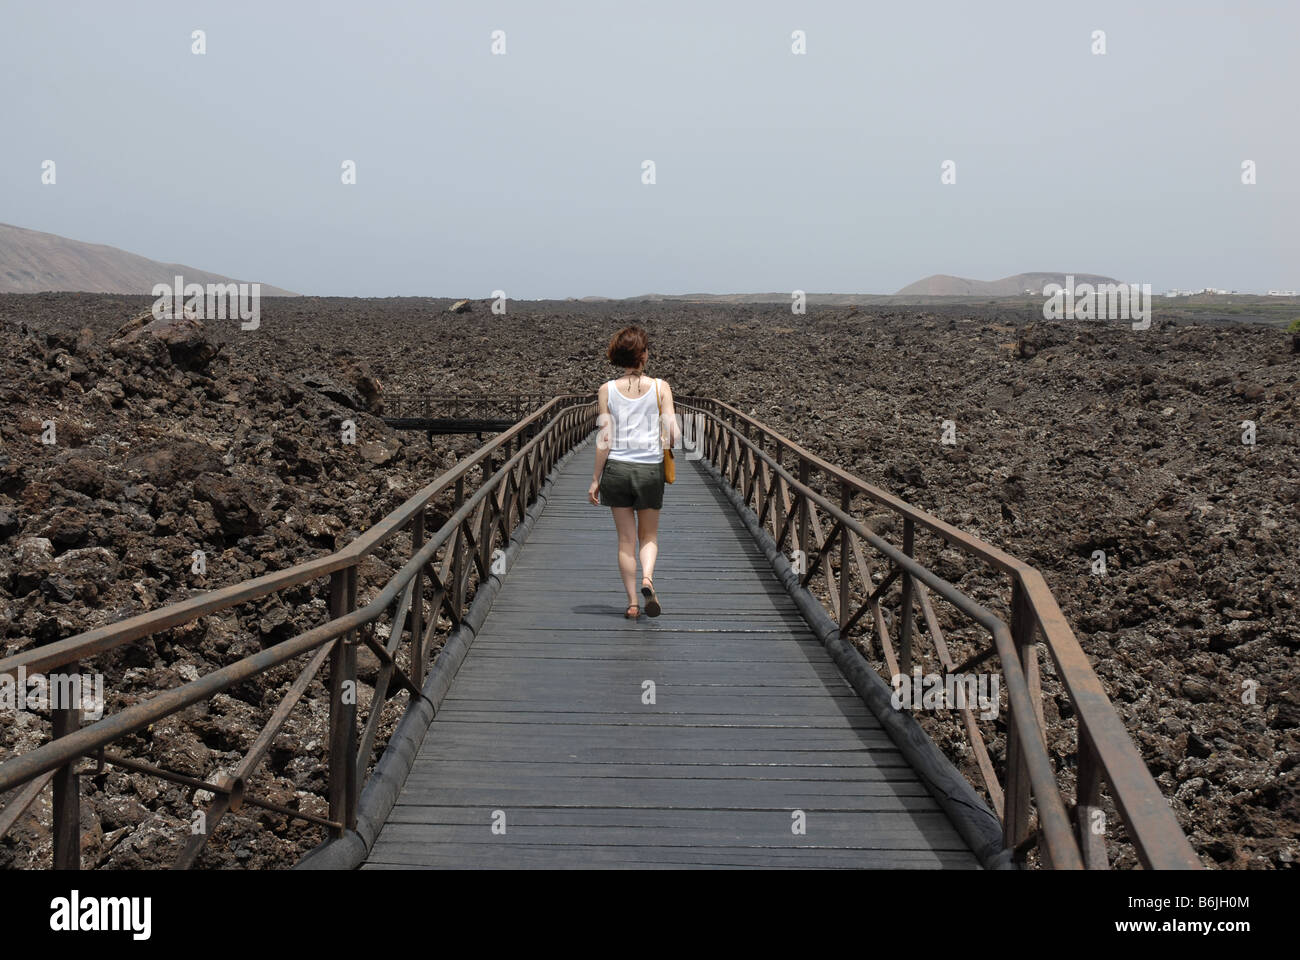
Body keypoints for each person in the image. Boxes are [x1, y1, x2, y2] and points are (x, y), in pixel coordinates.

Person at [587, 325, 679, 619]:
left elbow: (605, 438)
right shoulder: (660, 387)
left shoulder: (607, 390)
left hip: (617, 469)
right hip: (650, 470)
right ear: (643, 355)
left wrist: (595, 479)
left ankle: (632, 604)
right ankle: (648, 579)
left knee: (625, 541)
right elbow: (673, 434)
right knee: (648, 536)